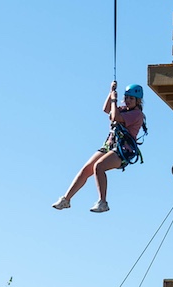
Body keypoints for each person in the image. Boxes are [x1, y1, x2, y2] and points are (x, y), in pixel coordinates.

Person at [52, 82, 146, 214]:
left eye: (131, 98)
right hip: (110, 145)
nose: (128, 101)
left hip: (123, 150)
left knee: (99, 166)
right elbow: (107, 109)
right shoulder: (124, 109)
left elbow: (115, 116)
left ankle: (103, 202)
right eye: (126, 97)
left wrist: (114, 99)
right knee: (86, 170)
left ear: (138, 101)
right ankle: (66, 199)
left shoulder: (137, 114)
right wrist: (110, 92)